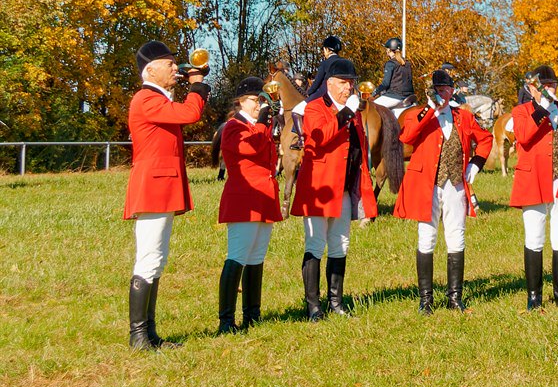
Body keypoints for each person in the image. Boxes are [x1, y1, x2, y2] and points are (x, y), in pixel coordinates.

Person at [122, 40, 211, 349]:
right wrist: (197, 86)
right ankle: (138, 336)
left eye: (176, 63)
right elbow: (189, 114)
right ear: (150, 69)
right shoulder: (146, 97)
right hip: (154, 186)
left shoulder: (155, 97)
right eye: (169, 64)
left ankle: (148, 333)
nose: (176, 68)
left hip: (160, 185)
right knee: (148, 259)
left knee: (156, 260)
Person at [395, 69, 493, 313]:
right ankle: (425, 301)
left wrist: (476, 163)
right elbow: (407, 137)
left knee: (456, 236)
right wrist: (430, 110)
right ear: (431, 91)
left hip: (455, 183)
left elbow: (486, 139)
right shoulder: (419, 114)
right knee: (426, 237)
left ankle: (454, 297)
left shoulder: (463, 116)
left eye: (446, 88)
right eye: (438, 89)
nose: (442, 92)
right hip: (426, 184)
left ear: (452, 90)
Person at [289, 56, 377, 321]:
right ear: (329, 83)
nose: (348, 88)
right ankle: (313, 307)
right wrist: (347, 113)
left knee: (341, 244)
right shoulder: (314, 107)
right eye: (343, 83)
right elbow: (322, 135)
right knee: (316, 244)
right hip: (320, 185)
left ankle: (336, 302)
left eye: (350, 83)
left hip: (345, 186)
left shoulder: (355, 112)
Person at [509, 65, 558, 310]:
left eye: (552, 85)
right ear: (532, 88)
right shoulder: (521, 110)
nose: (550, 89)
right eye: (544, 85)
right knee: (535, 237)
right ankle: (534, 296)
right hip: (534, 180)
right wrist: (542, 109)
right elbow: (523, 137)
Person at [216, 77, 281, 334]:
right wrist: (265, 123)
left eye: (261, 101)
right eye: (255, 101)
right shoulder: (233, 126)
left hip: (264, 196)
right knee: (238, 256)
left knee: (256, 257)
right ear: (241, 101)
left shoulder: (259, 125)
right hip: (244, 198)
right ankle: (226, 321)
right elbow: (251, 148)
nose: (259, 105)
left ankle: (252, 315)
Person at [373, 37, 413, 112]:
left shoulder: (390, 64)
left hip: (395, 96)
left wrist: (374, 93)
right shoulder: (407, 63)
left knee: (371, 107)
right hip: (409, 97)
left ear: (389, 50)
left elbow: (385, 84)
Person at [303, 35, 343, 105]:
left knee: (297, 110)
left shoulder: (325, 63)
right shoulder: (345, 62)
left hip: (326, 94)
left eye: (324, 49)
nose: (324, 52)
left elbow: (317, 83)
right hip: (343, 94)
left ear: (327, 49)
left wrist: (308, 93)